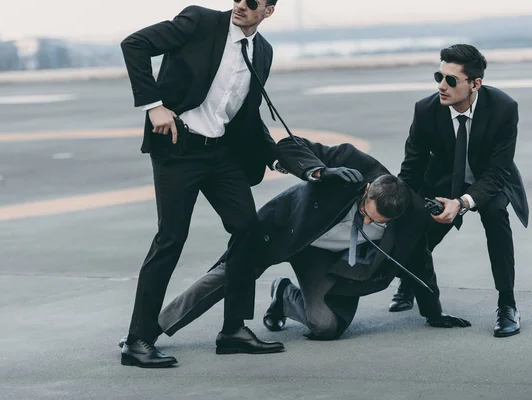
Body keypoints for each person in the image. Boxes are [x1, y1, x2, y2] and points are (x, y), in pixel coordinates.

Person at [119, 136, 471, 343]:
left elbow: (420, 263)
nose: (366, 221)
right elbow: (290, 144)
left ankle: (284, 295)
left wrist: (434, 312)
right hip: (287, 229)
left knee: (327, 329)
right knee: (227, 274)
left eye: (376, 222)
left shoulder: (410, 218)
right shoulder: (353, 163)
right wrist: (318, 170)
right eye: (366, 213)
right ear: (366, 190)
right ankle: (152, 329)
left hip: (329, 261)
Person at [119, 0, 285, 368]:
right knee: (172, 238)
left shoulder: (263, 52)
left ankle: (233, 331)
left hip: (221, 153)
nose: (242, 5)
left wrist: (273, 154)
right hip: (179, 148)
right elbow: (134, 44)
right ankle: (138, 340)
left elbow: (247, 112)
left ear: (268, 11)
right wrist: (153, 105)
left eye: (254, 2)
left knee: (248, 229)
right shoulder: (199, 21)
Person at [387, 44, 529, 338]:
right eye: (439, 76)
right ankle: (412, 280)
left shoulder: (504, 108)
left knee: (495, 216)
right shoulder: (425, 110)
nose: (442, 85)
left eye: (451, 80)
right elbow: (411, 169)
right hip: (442, 179)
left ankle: (507, 304)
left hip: (490, 179)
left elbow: (498, 170)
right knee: (424, 229)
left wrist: (463, 203)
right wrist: (399, 207)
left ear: (475, 84)